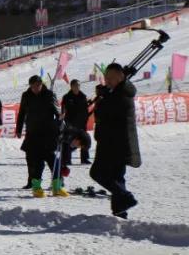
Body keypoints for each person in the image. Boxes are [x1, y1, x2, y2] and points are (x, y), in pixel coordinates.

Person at [90, 63, 140, 218]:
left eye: (111, 77)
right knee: (116, 177)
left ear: (121, 76)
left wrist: (103, 98)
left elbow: (105, 113)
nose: (108, 80)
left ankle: (126, 197)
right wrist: (105, 95)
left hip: (114, 143)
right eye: (106, 77)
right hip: (114, 141)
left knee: (97, 173)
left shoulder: (122, 94)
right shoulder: (119, 91)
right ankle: (120, 211)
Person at [15, 75, 63, 197]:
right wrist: (19, 129)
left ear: (41, 84)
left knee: (53, 160)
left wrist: (61, 125)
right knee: (36, 161)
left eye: (37, 86)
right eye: (33, 86)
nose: (35, 88)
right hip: (32, 132)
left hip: (48, 132)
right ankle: (36, 188)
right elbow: (22, 113)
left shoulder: (49, 94)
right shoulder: (26, 96)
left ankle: (57, 187)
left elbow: (58, 112)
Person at [60, 79, 91, 166]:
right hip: (70, 123)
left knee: (84, 140)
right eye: (76, 85)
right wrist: (62, 116)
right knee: (68, 140)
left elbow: (86, 109)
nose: (77, 87)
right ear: (71, 86)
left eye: (78, 85)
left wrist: (85, 119)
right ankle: (67, 159)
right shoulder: (66, 97)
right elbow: (63, 108)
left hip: (81, 122)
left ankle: (84, 159)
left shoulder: (83, 96)